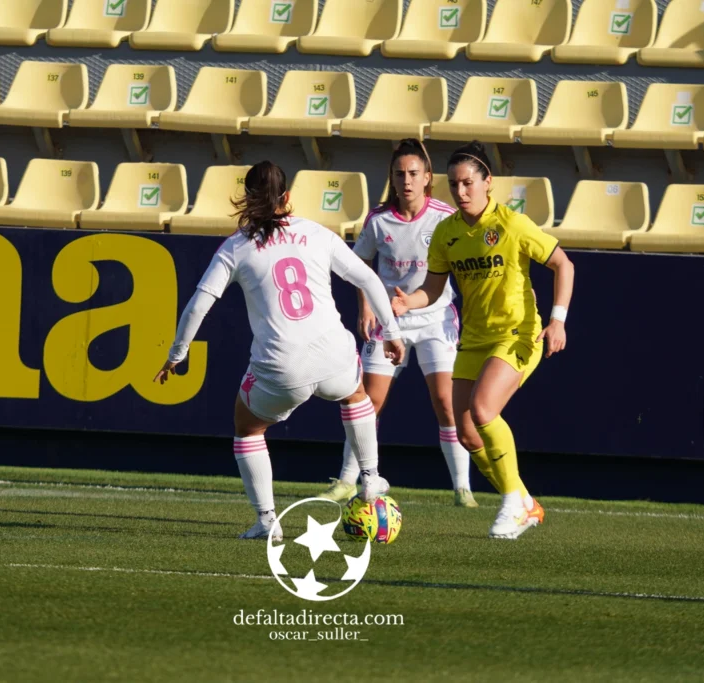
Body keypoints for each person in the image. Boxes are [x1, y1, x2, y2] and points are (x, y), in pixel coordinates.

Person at [155, 161, 406, 542]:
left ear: (247, 199)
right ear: (287, 198)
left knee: (247, 427)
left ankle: (268, 521)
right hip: (336, 353)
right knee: (356, 396)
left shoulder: (236, 246)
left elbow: (199, 304)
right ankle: (369, 478)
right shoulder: (316, 233)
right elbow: (368, 278)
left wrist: (177, 354)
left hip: (282, 365)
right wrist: (392, 332)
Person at [392, 141, 575, 540]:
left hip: (518, 334)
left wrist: (557, 321)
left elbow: (564, 263)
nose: (461, 192)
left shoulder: (511, 224)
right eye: (454, 185)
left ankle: (512, 501)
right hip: (474, 340)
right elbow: (434, 288)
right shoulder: (447, 232)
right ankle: (525, 502)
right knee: (466, 432)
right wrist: (409, 303)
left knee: (483, 409)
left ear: (487, 182)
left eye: (468, 183)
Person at [319, 138, 477, 508]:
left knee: (446, 401)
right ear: (391, 178)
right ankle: (345, 480)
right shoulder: (379, 220)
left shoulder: (443, 217)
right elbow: (359, 268)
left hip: (435, 318)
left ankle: (461, 487)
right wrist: (366, 308)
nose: (406, 181)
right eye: (399, 174)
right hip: (389, 322)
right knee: (368, 402)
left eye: (413, 174)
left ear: (427, 178)